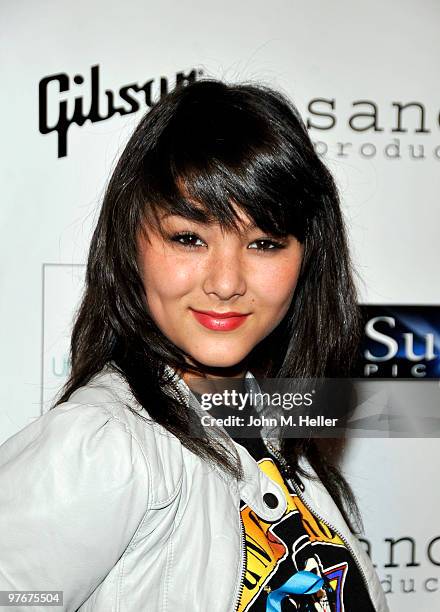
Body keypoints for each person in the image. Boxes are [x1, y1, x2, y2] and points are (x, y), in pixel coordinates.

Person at [0, 79, 389, 612]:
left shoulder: (278, 432)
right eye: (189, 238)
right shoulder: (105, 445)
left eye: (265, 243)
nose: (226, 282)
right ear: (130, 242)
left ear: (307, 258)